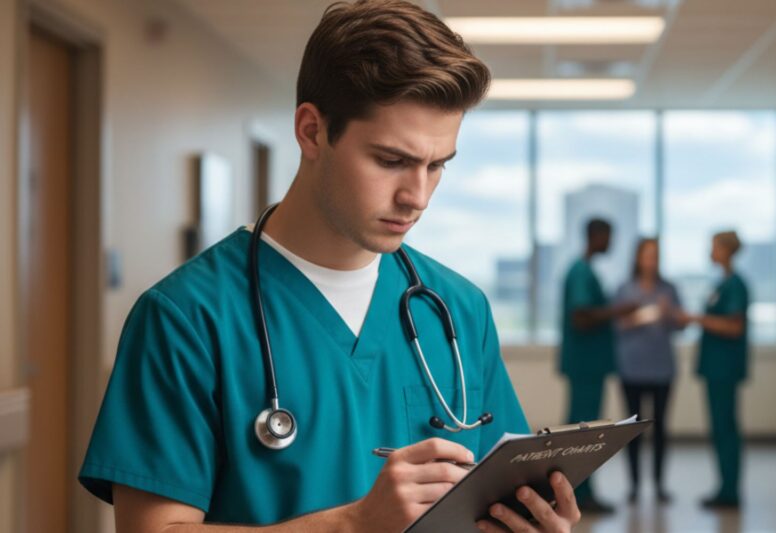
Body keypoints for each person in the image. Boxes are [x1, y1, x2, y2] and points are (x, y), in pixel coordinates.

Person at [78, 2, 581, 531]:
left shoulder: (458, 309)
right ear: (312, 131)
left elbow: (486, 499)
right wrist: (353, 525)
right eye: (391, 161)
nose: (417, 196)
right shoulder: (185, 318)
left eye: (437, 166)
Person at [559, 218, 637, 514]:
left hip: (588, 364)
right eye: (609, 236)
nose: (611, 244)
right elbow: (581, 317)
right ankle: (580, 493)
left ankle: (579, 490)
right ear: (597, 236)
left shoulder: (585, 271)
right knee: (583, 433)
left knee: (583, 429)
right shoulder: (581, 272)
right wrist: (619, 310)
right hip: (585, 364)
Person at [613, 238, 686, 504]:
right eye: (646, 255)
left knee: (661, 428)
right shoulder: (624, 289)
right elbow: (614, 325)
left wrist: (670, 315)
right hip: (631, 368)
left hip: (662, 369)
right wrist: (634, 319)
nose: (651, 260)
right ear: (638, 258)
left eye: (655, 255)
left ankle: (659, 485)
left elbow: (681, 326)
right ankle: (634, 485)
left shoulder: (669, 289)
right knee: (632, 429)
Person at [686, 230, 751, 510]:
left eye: (714, 247)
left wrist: (697, 319)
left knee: (725, 428)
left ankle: (730, 491)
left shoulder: (735, 285)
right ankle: (724, 487)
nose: (710, 252)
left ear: (726, 250)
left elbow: (734, 326)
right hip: (715, 368)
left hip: (724, 368)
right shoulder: (721, 283)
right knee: (720, 428)